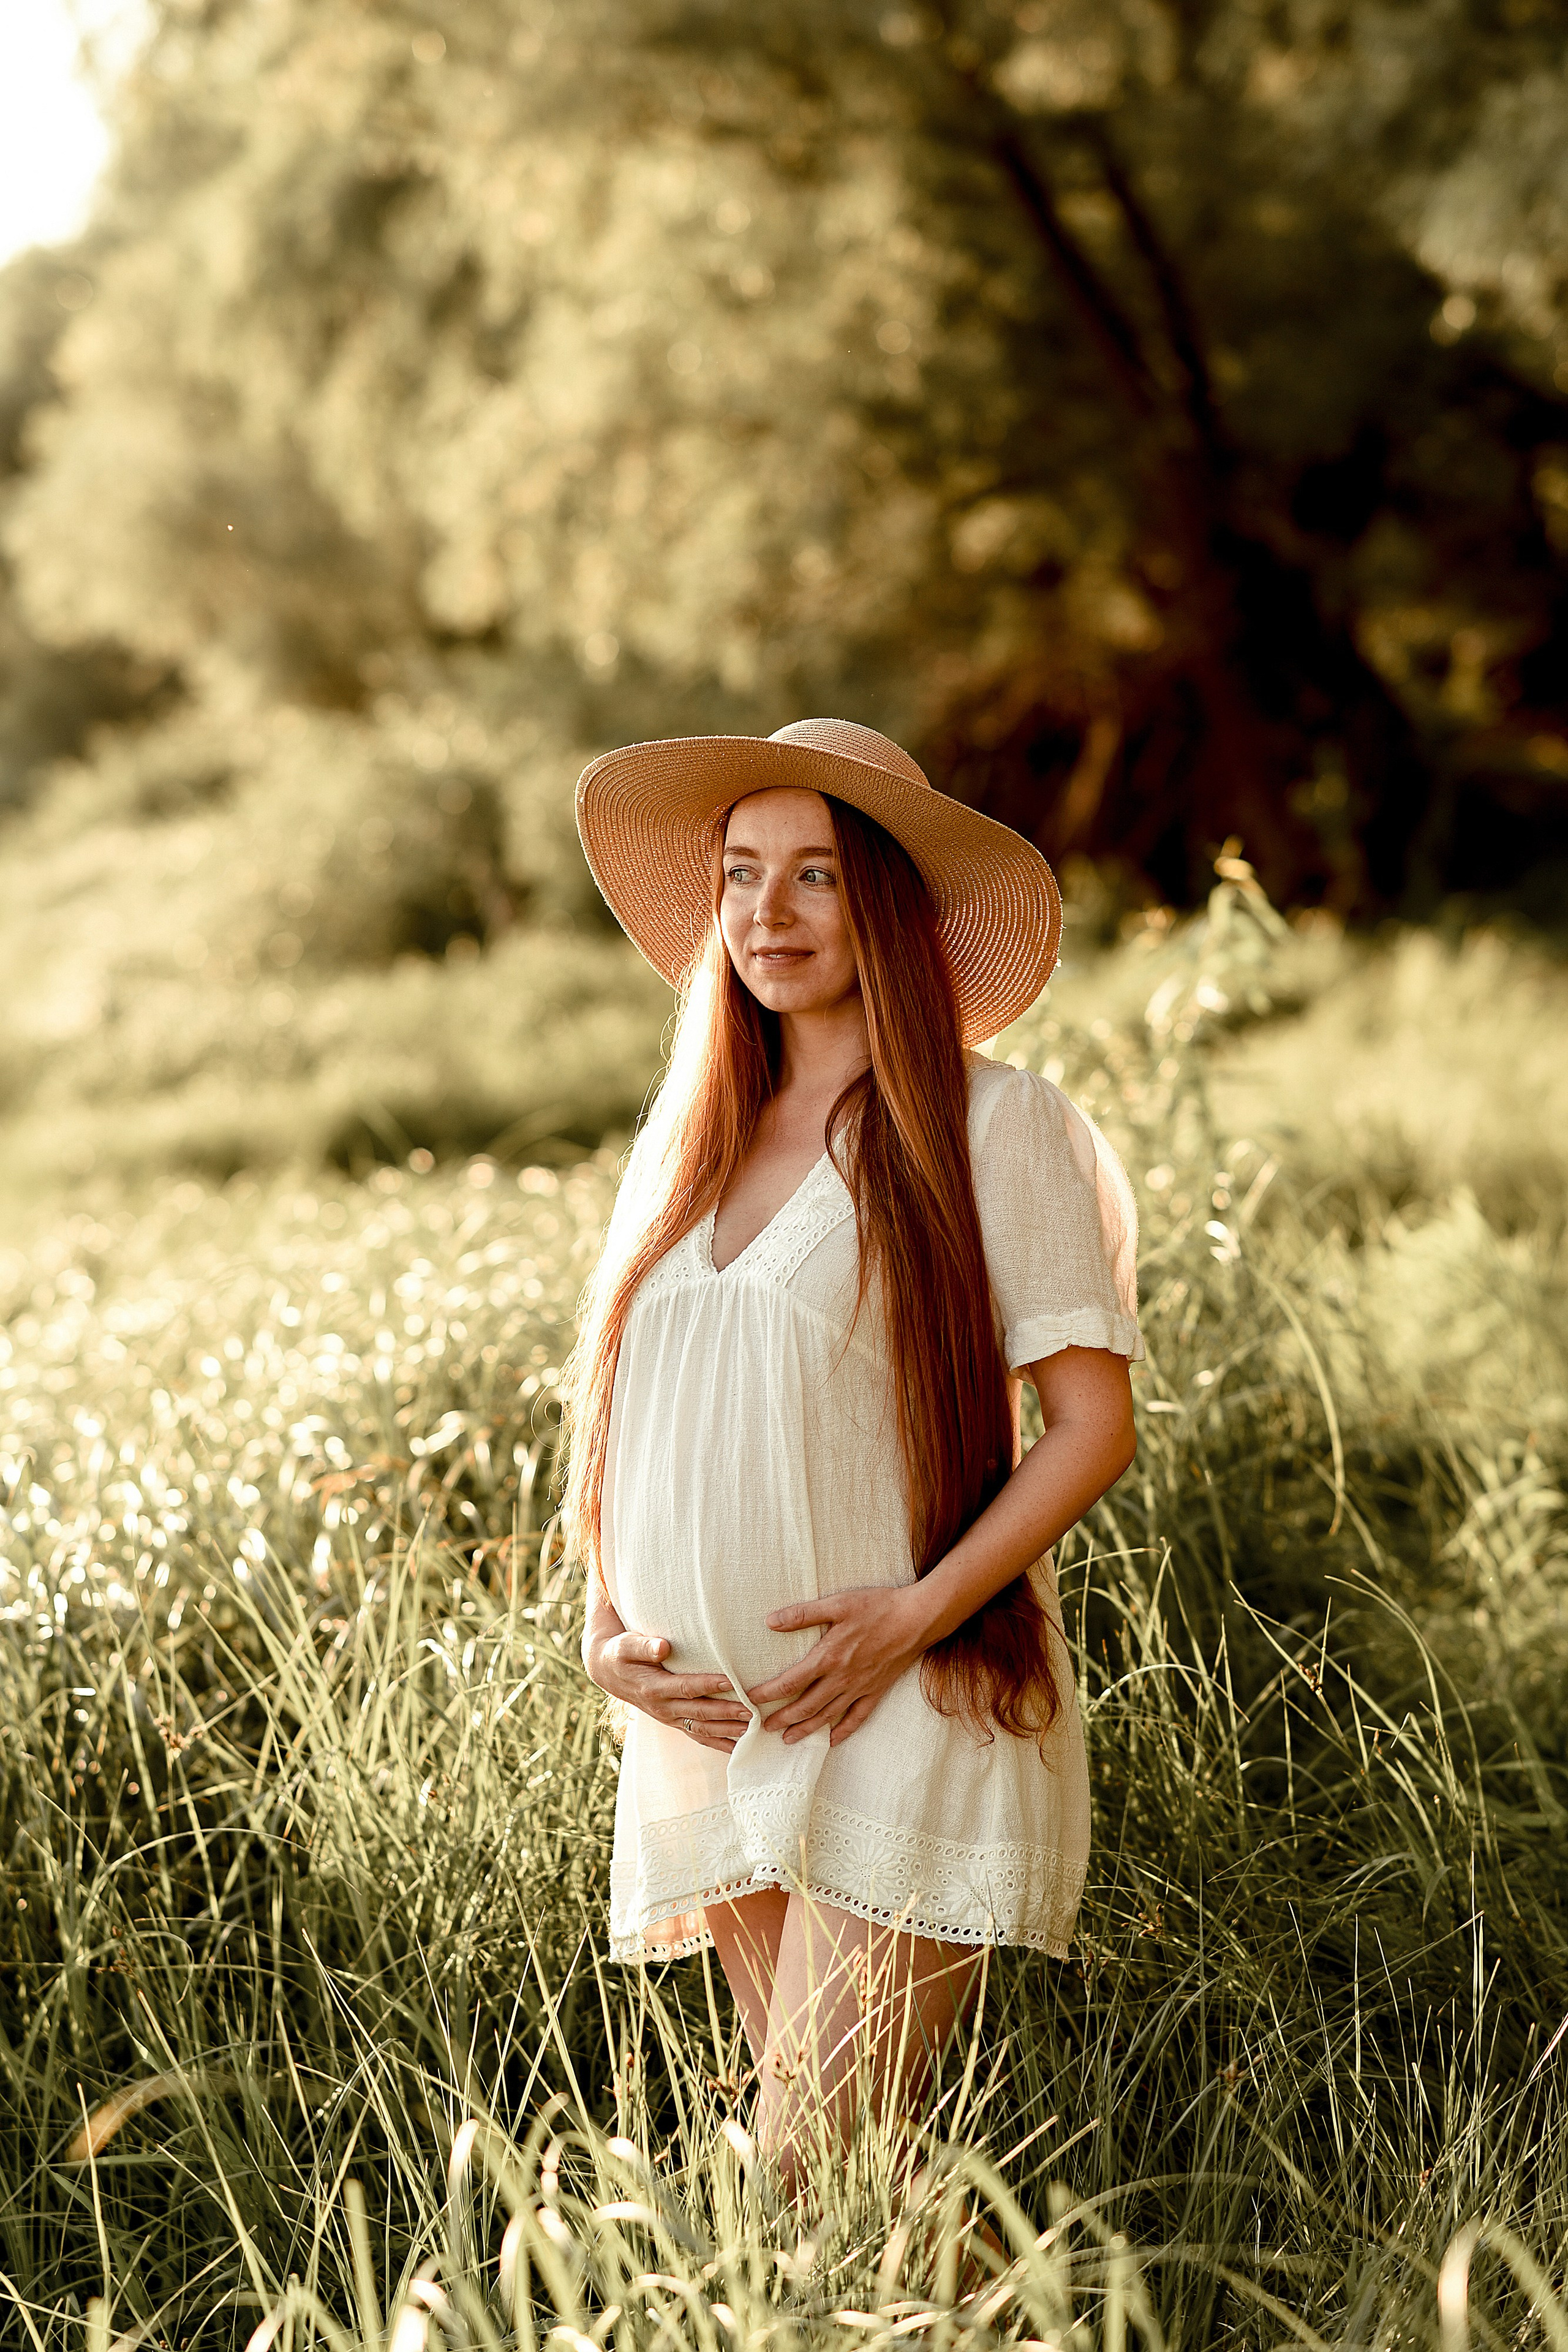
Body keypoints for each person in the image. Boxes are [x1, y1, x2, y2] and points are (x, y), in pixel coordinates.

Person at [564, 718, 1141, 2189]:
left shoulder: (991, 1125)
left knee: (791, 2174)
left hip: (907, 1697)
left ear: (882, 903)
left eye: (812, 876)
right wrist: (601, 1638)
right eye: (741, 875)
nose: (766, 915)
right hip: (712, 1724)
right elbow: (623, 1418)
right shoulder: (689, 1140)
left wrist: (909, 1613)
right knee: (862, 2200)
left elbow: (1090, 1428)